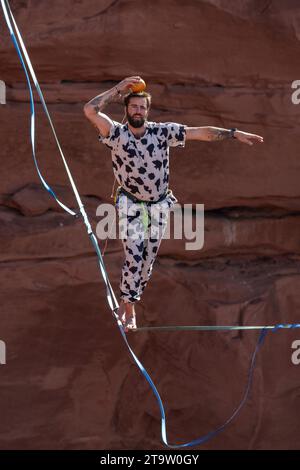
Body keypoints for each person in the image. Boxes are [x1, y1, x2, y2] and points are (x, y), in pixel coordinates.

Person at [83, 76, 263, 331]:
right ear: (126, 109)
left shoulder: (161, 132)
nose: (138, 111)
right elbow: (90, 111)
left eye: (142, 107)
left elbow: (198, 133)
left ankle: (132, 298)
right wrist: (119, 88)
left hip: (158, 205)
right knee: (134, 255)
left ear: (147, 111)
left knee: (147, 263)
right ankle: (128, 308)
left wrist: (234, 134)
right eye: (133, 106)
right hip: (131, 204)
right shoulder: (115, 133)